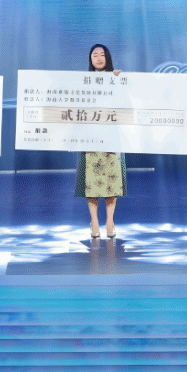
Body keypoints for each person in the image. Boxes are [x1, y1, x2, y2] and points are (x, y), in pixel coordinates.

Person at [75, 43, 126, 240]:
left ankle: (110, 221)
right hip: (90, 136)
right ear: (90, 59)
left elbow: (126, 105)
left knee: (112, 181)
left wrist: (120, 82)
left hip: (112, 136)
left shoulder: (116, 79)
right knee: (91, 182)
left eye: (102, 54)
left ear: (107, 57)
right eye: (94, 55)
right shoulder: (83, 82)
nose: (98, 58)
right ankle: (94, 221)